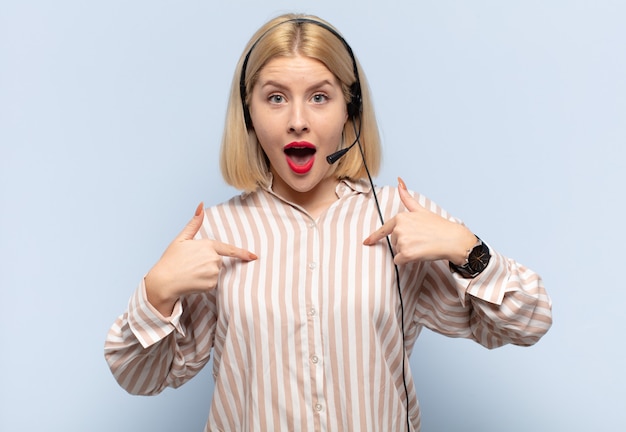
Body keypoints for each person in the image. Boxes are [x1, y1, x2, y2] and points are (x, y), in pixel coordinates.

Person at [104, 13, 552, 432]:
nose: (298, 121)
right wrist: (157, 292)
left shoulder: (400, 216)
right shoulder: (218, 235)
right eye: (275, 98)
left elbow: (528, 322)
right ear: (248, 115)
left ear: (349, 111)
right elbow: (140, 376)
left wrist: (466, 249)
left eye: (320, 97)